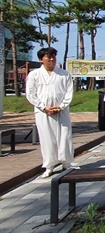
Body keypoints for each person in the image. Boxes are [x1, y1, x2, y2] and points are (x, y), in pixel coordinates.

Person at [26, 47, 74, 178]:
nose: (51, 59)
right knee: (47, 138)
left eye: (53, 56)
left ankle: (67, 163)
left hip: (61, 111)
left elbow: (69, 92)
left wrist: (62, 106)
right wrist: (43, 107)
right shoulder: (34, 75)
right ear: (41, 59)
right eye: (48, 57)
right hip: (43, 112)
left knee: (65, 136)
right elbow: (31, 94)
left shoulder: (64, 74)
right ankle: (49, 165)